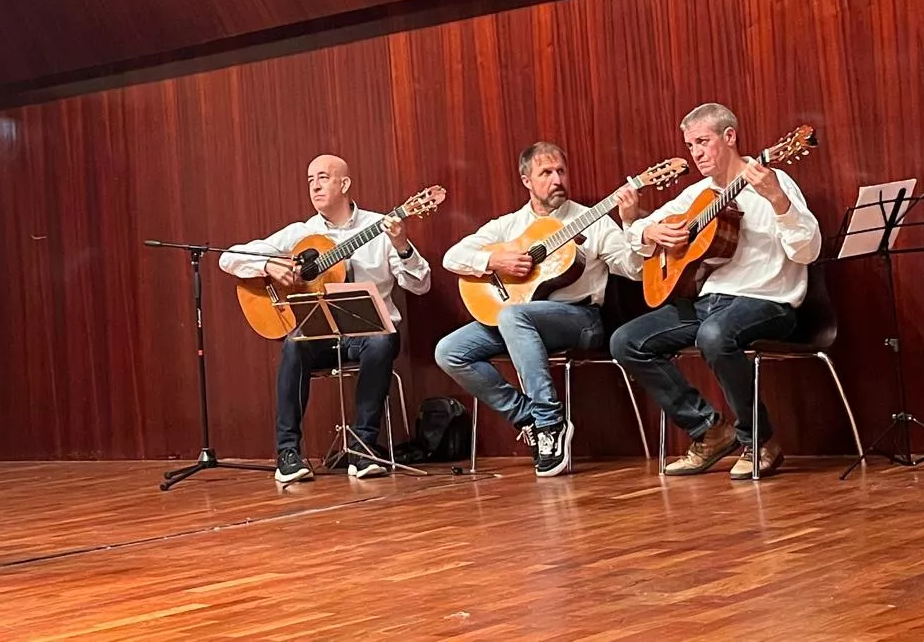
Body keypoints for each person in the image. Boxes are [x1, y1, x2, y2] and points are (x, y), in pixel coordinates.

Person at [611, 104, 820, 479]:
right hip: (708, 303)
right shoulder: (696, 195)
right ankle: (709, 431)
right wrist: (646, 231)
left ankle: (760, 440)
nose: (696, 153)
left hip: (768, 301)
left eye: (703, 142)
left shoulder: (774, 181)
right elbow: (638, 233)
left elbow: (808, 250)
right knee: (626, 340)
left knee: (715, 334)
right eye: (691, 145)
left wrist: (778, 201)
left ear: (729, 137)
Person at [219, 155, 431, 482]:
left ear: (344, 184)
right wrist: (267, 267)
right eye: (309, 180)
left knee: (382, 340)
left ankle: (362, 447)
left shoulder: (381, 226)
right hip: (321, 334)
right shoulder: (302, 233)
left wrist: (402, 246)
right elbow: (228, 258)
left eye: (323, 177)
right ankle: (288, 452)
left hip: (369, 333)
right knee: (294, 344)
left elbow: (420, 285)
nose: (314, 186)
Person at [435, 142, 642, 476]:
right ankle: (528, 416)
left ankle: (549, 424)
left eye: (561, 171)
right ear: (526, 180)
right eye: (546, 173)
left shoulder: (592, 219)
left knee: (513, 316)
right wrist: (493, 260)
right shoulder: (509, 225)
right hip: (518, 320)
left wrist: (630, 223)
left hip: (580, 319)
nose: (557, 179)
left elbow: (635, 270)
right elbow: (451, 258)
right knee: (450, 350)